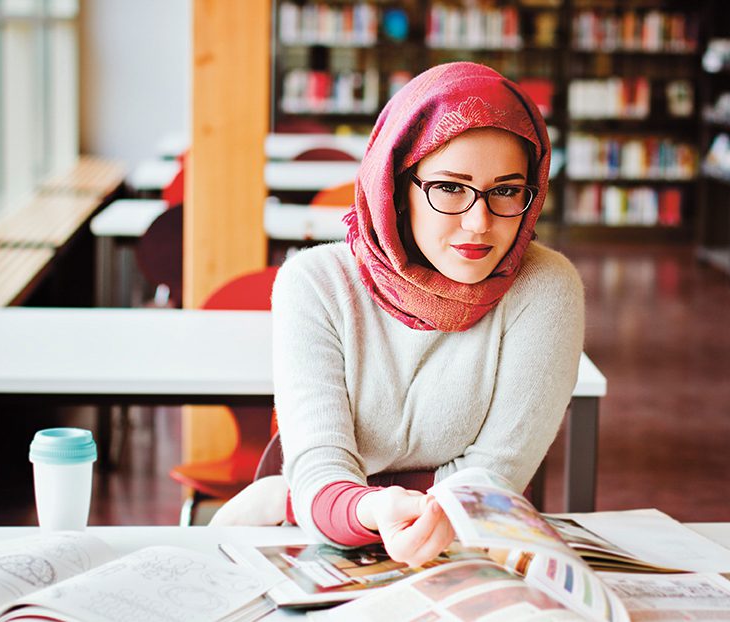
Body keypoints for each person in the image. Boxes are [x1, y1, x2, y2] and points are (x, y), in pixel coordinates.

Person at [211, 62, 585, 568]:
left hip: (465, 550)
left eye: (506, 191)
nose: (479, 223)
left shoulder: (546, 286)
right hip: (315, 546)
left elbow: (493, 479)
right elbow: (322, 468)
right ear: (398, 185)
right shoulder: (316, 283)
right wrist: (351, 502)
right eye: (450, 188)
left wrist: (299, 499)